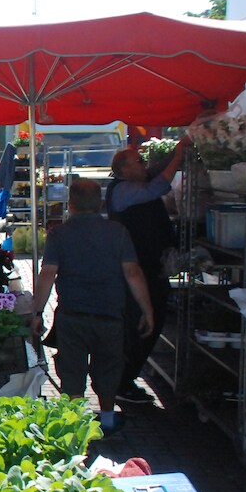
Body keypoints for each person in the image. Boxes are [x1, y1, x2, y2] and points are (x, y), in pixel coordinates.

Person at [31, 179, 154, 437]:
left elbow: (48, 274)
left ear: (70, 205)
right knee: (109, 369)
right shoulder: (118, 232)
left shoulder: (59, 234)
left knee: (72, 370)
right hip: (110, 315)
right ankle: (107, 420)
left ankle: (75, 427)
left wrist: (37, 311)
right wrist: (147, 310)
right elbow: (132, 272)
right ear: (100, 204)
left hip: (72, 315)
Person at [106, 138, 188, 405]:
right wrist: (177, 155)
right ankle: (123, 382)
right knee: (142, 325)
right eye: (139, 161)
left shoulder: (134, 182)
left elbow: (155, 174)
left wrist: (180, 150)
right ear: (124, 169)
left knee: (149, 323)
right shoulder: (123, 190)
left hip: (149, 269)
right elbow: (158, 186)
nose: (144, 165)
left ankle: (124, 380)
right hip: (137, 271)